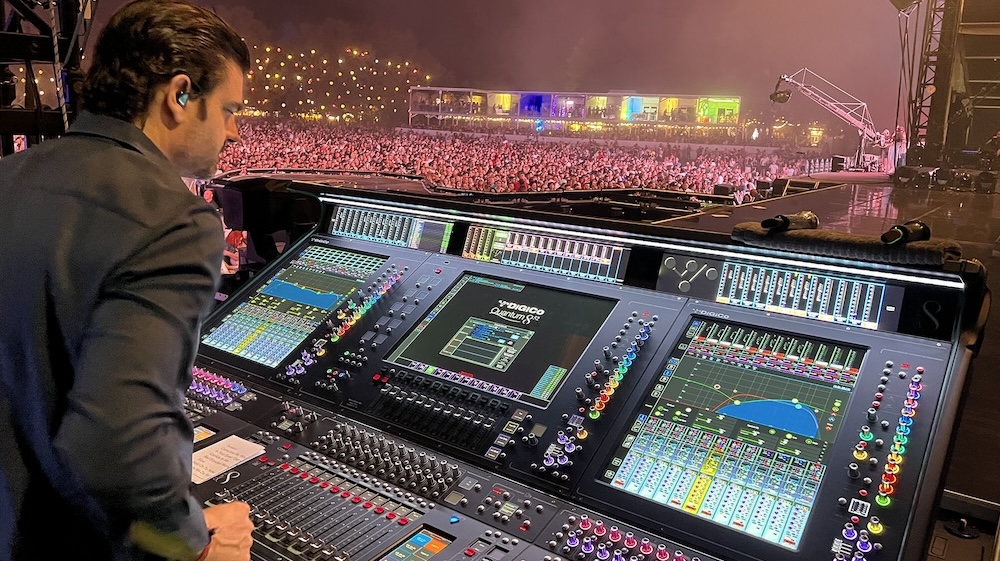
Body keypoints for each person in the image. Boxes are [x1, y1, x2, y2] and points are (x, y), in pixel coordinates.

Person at [0, 2, 254, 561]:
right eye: (229, 109)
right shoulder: (172, 218)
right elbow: (115, 450)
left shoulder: (10, 177)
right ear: (180, 94)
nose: (234, 131)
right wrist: (189, 548)